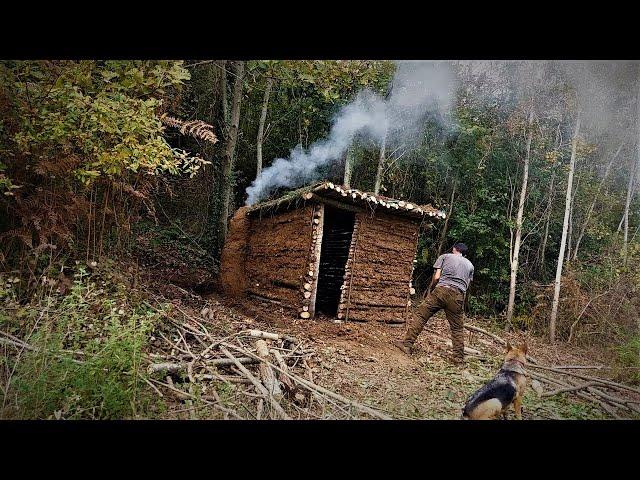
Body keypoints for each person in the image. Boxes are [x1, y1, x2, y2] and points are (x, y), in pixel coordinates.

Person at [393, 242, 474, 365]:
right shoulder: (470, 265)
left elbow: (436, 277)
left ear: (454, 249)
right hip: (458, 295)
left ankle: (407, 344)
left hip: (441, 290)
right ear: (464, 252)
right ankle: (458, 359)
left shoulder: (445, 257)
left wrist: (432, 288)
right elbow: (466, 285)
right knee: (457, 328)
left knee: (421, 316)